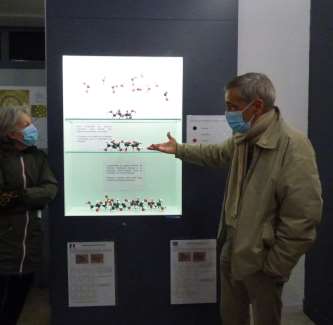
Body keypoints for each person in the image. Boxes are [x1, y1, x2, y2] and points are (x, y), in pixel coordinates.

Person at [148, 73, 323, 325]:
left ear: (257, 106)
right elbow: (217, 154)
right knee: (231, 317)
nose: (227, 113)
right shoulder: (244, 138)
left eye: (232, 107)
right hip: (232, 248)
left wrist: (275, 265)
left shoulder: (294, 147)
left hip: (263, 259)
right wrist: (179, 149)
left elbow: (303, 217)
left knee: (265, 319)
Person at [0, 106, 58, 325]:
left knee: (15, 304)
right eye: (26, 125)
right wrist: (31, 198)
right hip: (4, 243)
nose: (32, 128)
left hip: (29, 246)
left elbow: (50, 190)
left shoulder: (37, 157)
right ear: (11, 132)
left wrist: (18, 195)